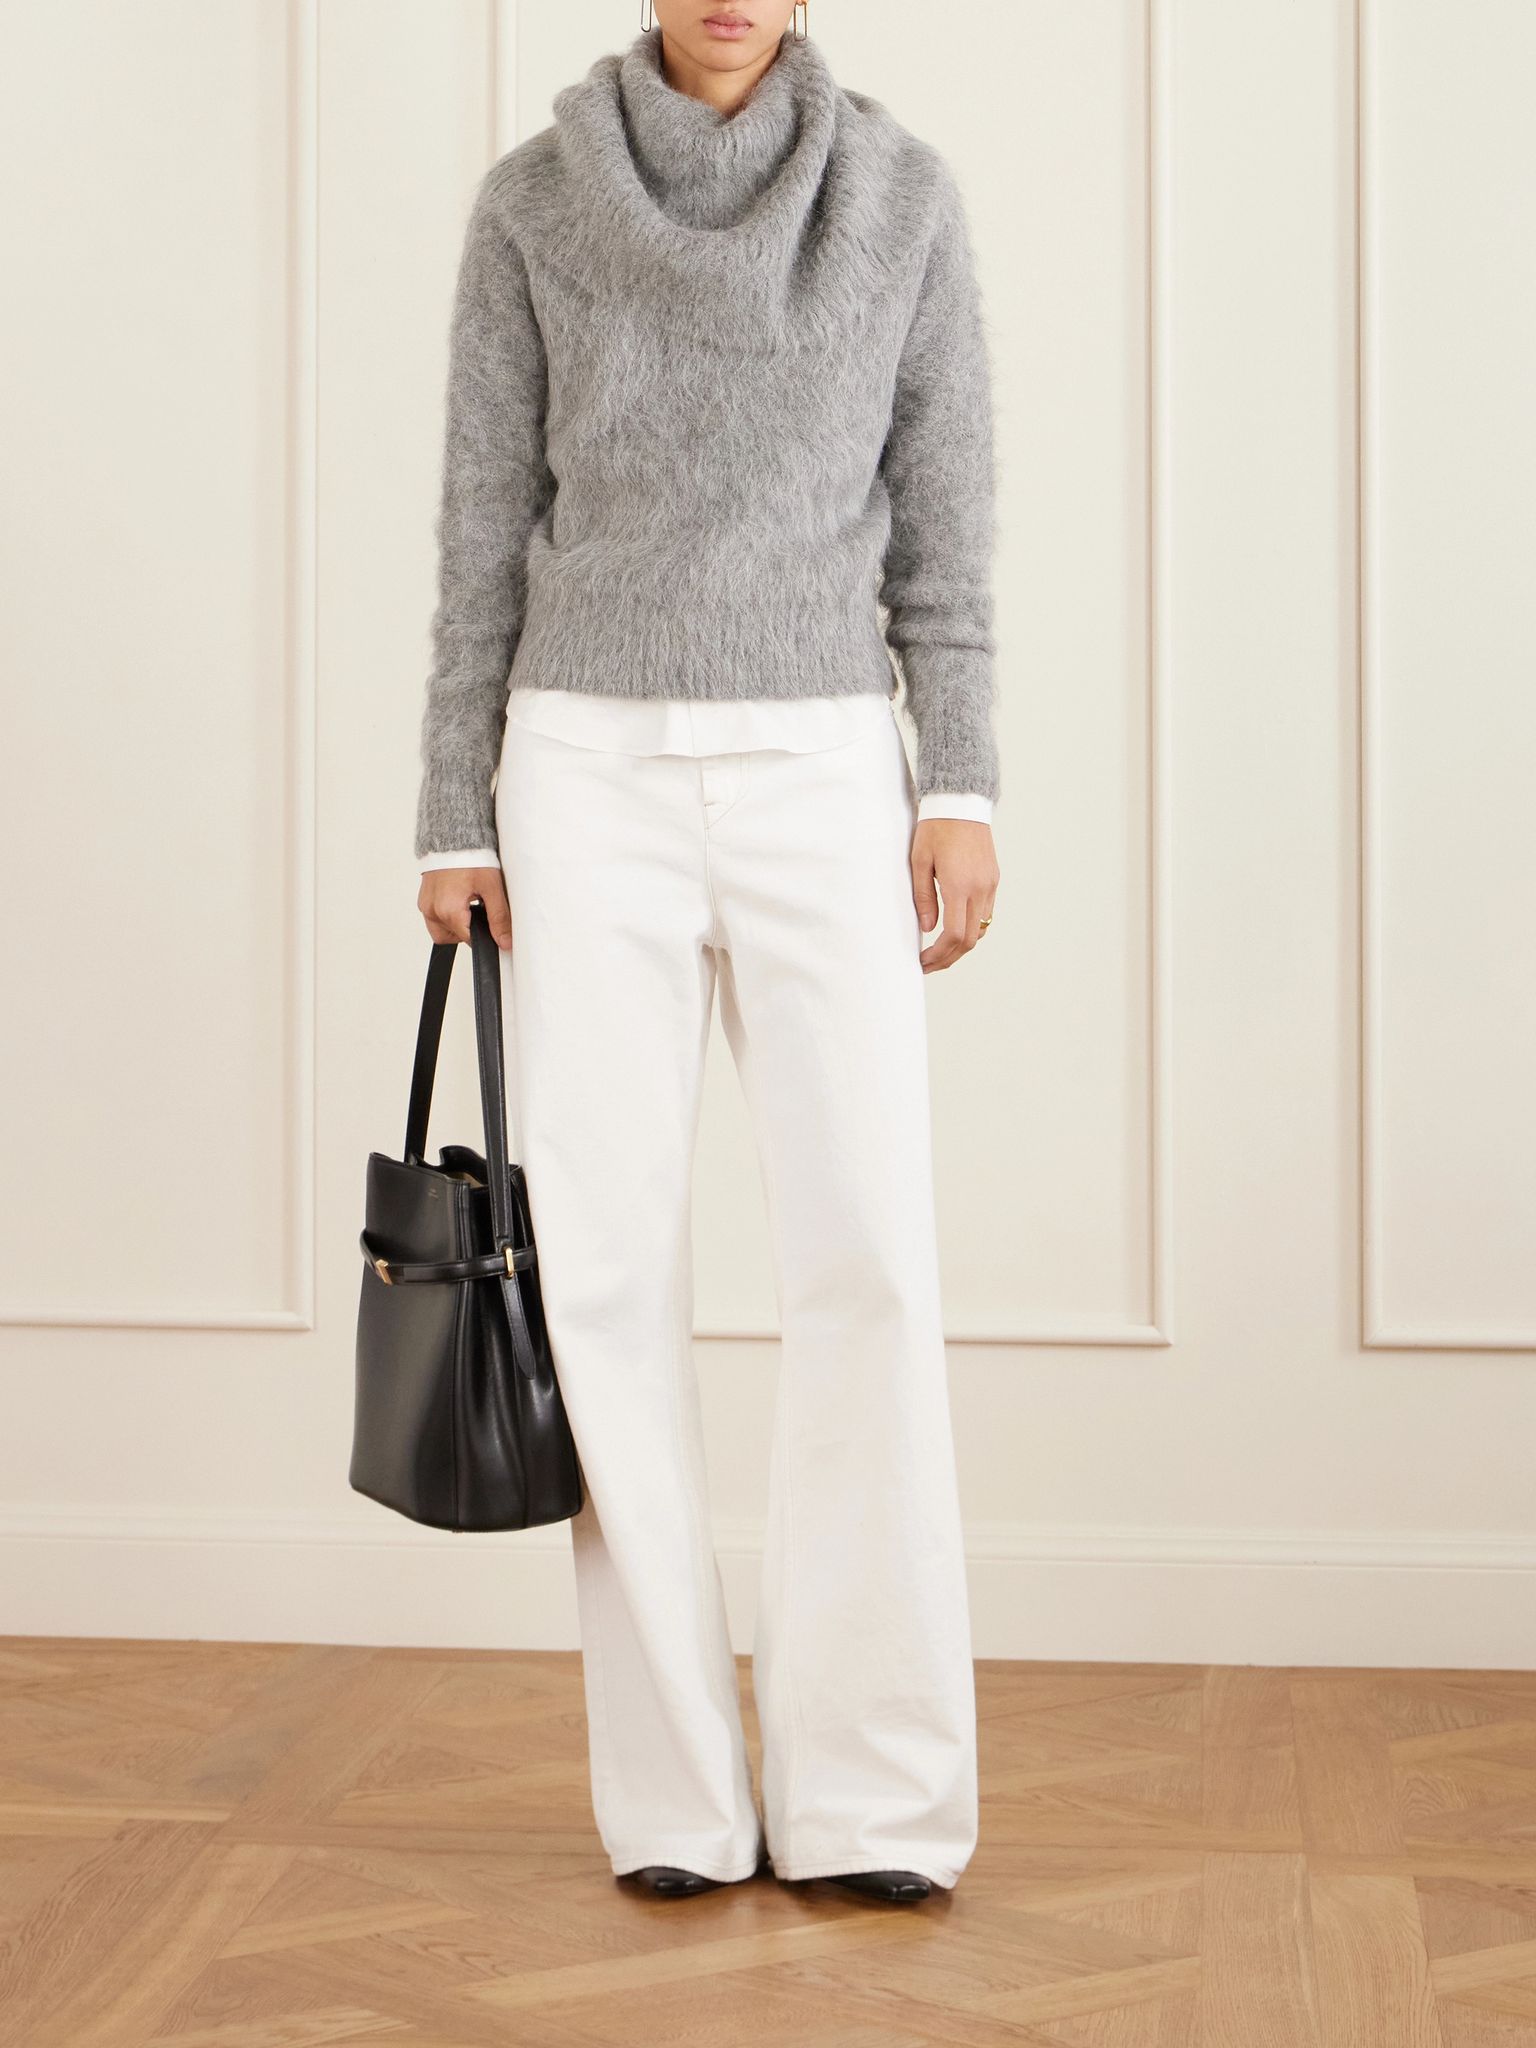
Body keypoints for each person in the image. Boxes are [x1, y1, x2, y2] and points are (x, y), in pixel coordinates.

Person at [413, 0, 999, 1904]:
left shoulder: (902, 198)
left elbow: (948, 522)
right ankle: (674, 1802)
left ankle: (874, 1802)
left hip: (828, 768)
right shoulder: (532, 204)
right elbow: (483, 528)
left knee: (869, 1258)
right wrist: (452, 809)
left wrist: (960, 780)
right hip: (584, 774)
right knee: (600, 1278)